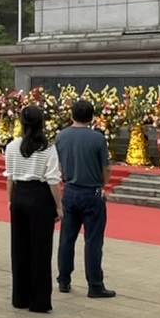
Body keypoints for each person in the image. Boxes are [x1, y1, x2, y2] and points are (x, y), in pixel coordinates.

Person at [56, 99, 115, 298]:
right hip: (93, 191)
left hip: (70, 189)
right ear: (92, 117)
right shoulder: (97, 138)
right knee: (93, 240)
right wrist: (102, 186)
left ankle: (64, 279)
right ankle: (95, 284)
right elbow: (106, 167)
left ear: (71, 115)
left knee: (67, 239)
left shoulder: (61, 136)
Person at [5, 106, 62, 312]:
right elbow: (53, 180)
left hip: (20, 195)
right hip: (40, 196)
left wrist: (10, 200)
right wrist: (58, 205)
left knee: (19, 248)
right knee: (40, 249)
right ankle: (39, 301)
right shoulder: (47, 148)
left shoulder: (12, 146)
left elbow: (10, 177)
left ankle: (20, 297)